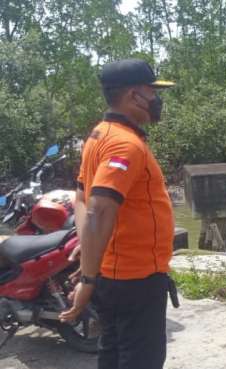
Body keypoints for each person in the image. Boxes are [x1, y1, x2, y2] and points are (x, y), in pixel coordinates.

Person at [59, 58, 178, 369]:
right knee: (141, 360)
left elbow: (82, 197)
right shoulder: (125, 146)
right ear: (133, 95)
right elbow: (98, 210)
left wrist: (91, 259)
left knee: (112, 353)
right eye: (152, 92)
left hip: (111, 274)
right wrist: (86, 279)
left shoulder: (99, 134)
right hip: (136, 277)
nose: (156, 100)